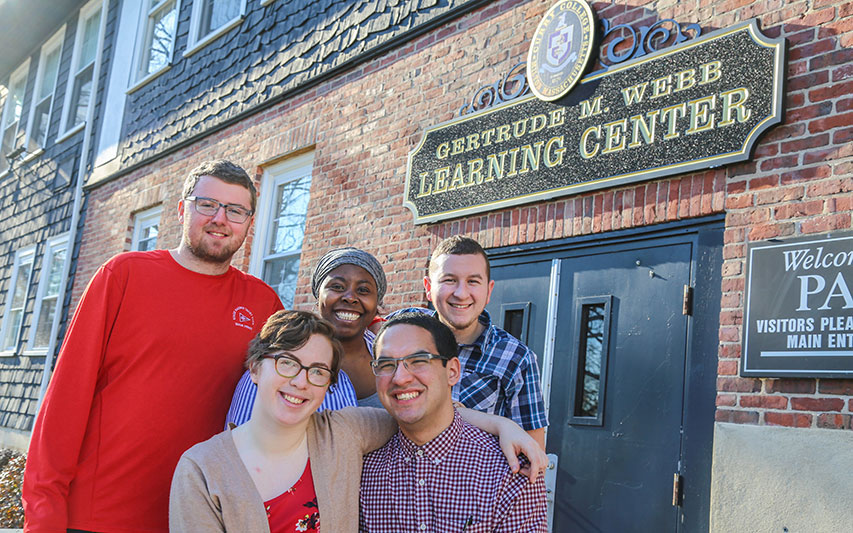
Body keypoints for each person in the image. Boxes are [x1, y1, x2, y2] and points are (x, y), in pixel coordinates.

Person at [22, 160, 284, 533]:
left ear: (250, 223)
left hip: (197, 517)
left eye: (236, 210)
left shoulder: (263, 303)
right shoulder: (123, 275)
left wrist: (367, 327)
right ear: (182, 209)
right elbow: (66, 398)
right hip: (100, 515)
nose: (220, 219)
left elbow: (301, 371)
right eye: (207, 204)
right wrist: (44, 513)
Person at [170, 310, 546, 533]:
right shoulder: (201, 469)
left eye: (318, 371)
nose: (300, 381)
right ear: (255, 368)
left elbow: (420, 411)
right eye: (287, 363)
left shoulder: (345, 433)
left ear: (330, 386)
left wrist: (502, 425)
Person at [360, 312, 547, 532]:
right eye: (386, 365)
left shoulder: (508, 472)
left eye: (419, 361)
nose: (400, 378)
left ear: (452, 371)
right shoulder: (365, 470)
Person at [394, 235, 549, 448]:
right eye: (449, 280)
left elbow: (533, 450)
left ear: (489, 290)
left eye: (473, 281)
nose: (461, 293)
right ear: (428, 288)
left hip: (472, 478)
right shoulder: (400, 332)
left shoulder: (516, 358)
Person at [227, 247, 386, 426]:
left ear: (377, 301)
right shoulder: (275, 360)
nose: (350, 297)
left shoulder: (392, 356)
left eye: (364, 290)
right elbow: (238, 443)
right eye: (337, 287)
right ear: (318, 295)